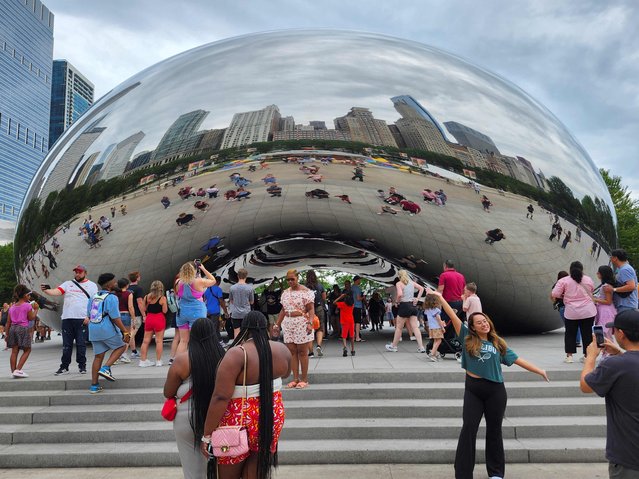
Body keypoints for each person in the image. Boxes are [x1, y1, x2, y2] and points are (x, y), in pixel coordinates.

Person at [433, 290, 548, 479]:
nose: (483, 324)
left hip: (495, 391)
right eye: (479, 322)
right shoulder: (467, 338)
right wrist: (440, 298)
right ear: (473, 327)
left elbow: (517, 359)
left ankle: (495, 473)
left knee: (494, 431)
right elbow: (453, 316)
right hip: (473, 389)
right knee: (469, 428)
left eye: (485, 321)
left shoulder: (497, 343)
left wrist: (539, 370)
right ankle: (463, 473)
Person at [202, 312, 291, 479]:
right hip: (271, 414)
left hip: (238, 418)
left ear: (244, 329)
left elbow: (220, 397)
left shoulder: (237, 354)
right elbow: (286, 374)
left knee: (230, 469)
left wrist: (206, 435)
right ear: (267, 328)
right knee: (257, 467)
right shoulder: (282, 350)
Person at [163, 318, 225, 479]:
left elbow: (168, 392)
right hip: (219, 414)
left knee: (192, 467)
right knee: (221, 465)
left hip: (187, 416)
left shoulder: (182, 360)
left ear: (193, 335)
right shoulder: (224, 357)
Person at [581, 309, 639, 477]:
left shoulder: (614, 365)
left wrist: (591, 357)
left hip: (628, 456)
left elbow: (586, 385)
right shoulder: (620, 363)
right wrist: (621, 353)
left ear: (621, 334)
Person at [41, 264, 97, 375]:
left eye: (80, 272)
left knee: (81, 344)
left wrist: (90, 316)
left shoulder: (91, 285)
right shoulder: (68, 284)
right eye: (76, 272)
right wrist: (47, 291)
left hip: (82, 319)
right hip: (67, 318)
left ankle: (82, 366)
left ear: (85, 273)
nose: (77, 274)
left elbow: (95, 302)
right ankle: (64, 366)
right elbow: (57, 291)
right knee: (67, 344)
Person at [87, 273, 130, 393]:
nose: (116, 283)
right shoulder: (112, 297)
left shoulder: (93, 297)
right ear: (110, 284)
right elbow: (115, 317)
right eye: (114, 282)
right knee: (121, 346)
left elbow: (89, 313)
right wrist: (125, 331)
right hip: (106, 328)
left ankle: (94, 386)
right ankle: (106, 368)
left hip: (93, 328)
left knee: (98, 356)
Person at [274, 269, 315, 389]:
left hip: (301, 322)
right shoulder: (285, 293)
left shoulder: (306, 292)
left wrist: (310, 323)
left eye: (292, 279)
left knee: (302, 352)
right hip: (288, 323)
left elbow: (311, 309)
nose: (290, 281)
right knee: (291, 352)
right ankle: (295, 378)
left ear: (298, 277)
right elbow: (283, 310)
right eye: (288, 280)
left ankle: (304, 379)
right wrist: (277, 324)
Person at [552, 261, 596, 363]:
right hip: (587, 311)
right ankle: (586, 356)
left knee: (570, 333)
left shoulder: (564, 280)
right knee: (587, 334)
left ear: (570, 270)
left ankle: (569, 356)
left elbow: (555, 293)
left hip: (571, 311)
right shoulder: (588, 279)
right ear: (582, 269)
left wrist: (565, 295)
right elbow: (592, 290)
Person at [175, 262, 217, 354]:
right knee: (197, 339)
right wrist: (203, 269)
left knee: (183, 341)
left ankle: (179, 362)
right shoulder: (199, 281)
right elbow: (213, 280)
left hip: (182, 312)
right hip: (196, 312)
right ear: (193, 271)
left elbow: (177, 293)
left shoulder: (178, 282)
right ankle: (197, 361)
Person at [385, 269, 426, 353]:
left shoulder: (399, 283)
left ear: (399, 276)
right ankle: (421, 347)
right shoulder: (411, 282)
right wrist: (417, 298)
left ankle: (394, 346)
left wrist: (397, 301)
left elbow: (399, 294)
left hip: (404, 305)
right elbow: (421, 288)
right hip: (413, 305)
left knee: (399, 327)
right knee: (415, 327)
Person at [5, 285, 38, 378]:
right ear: (24, 295)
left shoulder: (12, 307)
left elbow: (8, 322)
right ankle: (18, 370)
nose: (29, 297)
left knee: (14, 351)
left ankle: (13, 372)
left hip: (12, 329)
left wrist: (6, 334)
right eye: (28, 295)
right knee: (27, 349)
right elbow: (31, 318)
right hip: (22, 328)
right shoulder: (27, 305)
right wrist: (36, 309)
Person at [139, 281, 168, 367]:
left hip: (149, 318)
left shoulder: (146, 297)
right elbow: (165, 311)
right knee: (159, 341)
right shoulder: (162, 298)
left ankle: (143, 361)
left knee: (145, 341)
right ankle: (158, 361)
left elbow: (144, 308)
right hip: (159, 319)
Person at [592, 265, 617, 355]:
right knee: (604, 334)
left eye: (599, 272)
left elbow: (608, 301)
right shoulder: (605, 286)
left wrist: (595, 299)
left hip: (606, 312)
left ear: (603, 274)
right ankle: (607, 353)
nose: (597, 274)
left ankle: (609, 354)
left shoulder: (606, 287)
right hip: (604, 311)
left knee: (606, 334)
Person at [305, 270, 326, 357]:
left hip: (308, 309)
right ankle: (319, 345)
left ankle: (310, 352)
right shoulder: (320, 285)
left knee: (309, 329)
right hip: (318, 308)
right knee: (320, 328)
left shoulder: (304, 287)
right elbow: (324, 297)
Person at [229, 268, 254, 340]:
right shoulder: (250, 288)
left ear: (237, 276)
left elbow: (231, 300)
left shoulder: (232, 288)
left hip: (235, 313)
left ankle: (237, 348)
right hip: (246, 313)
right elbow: (252, 302)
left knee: (236, 332)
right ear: (246, 276)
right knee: (247, 332)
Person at [114, 278, 135, 364]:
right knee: (127, 335)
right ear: (127, 285)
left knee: (118, 336)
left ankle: (115, 356)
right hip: (125, 315)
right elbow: (130, 307)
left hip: (116, 316)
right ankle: (123, 354)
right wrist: (133, 318)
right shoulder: (129, 294)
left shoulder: (115, 294)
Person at [438, 260, 466, 324]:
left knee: (444, 322)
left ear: (445, 266)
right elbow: (464, 290)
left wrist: (438, 302)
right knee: (455, 323)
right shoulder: (461, 276)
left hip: (448, 303)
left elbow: (440, 290)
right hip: (460, 303)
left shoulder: (444, 275)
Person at [203, 276, 229, 345]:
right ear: (218, 282)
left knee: (214, 327)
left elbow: (204, 301)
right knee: (215, 327)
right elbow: (221, 301)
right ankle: (214, 343)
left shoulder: (207, 290)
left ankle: (219, 341)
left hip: (208, 312)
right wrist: (225, 312)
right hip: (215, 311)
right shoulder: (218, 289)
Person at [127, 271, 145, 360]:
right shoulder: (139, 289)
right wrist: (144, 315)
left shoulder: (126, 288)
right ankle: (122, 353)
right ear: (137, 278)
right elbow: (140, 302)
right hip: (136, 314)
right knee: (132, 334)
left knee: (131, 332)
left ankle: (134, 351)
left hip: (127, 314)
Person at [423, 293, 446, 361]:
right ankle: (432, 354)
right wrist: (442, 327)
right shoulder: (436, 310)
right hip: (437, 327)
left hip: (431, 327)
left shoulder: (427, 310)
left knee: (435, 341)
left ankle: (434, 352)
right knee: (438, 341)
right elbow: (438, 319)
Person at [335, 292, 356, 356]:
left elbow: (334, 302)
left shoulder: (342, 304)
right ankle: (352, 350)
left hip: (344, 322)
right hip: (351, 321)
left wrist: (340, 297)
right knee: (352, 336)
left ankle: (345, 348)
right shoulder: (352, 305)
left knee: (344, 336)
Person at [351, 276, 365, 342]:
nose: (360, 281)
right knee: (358, 322)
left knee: (353, 322)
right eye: (360, 280)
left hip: (352, 307)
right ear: (357, 280)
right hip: (357, 306)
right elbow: (358, 298)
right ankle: (357, 337)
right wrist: (363, 297)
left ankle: (353, 337)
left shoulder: (352, 287)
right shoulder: (357, 288)